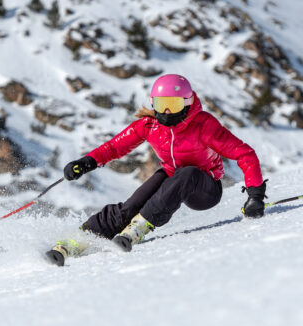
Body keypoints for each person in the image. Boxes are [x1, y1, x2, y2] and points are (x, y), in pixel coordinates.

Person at [50, 74, 267, 261]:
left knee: (188, 173)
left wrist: (255, 195)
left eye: (174, 105)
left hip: (204, 189)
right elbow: (115, 147)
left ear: (188, 103)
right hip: (172, 177)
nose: (167, 112)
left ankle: (139, 227)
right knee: (132, 205)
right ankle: (78, 240)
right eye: (161, 104)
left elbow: (244, 154)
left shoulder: (204, 125)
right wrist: (86, 162)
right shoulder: (150, 125)